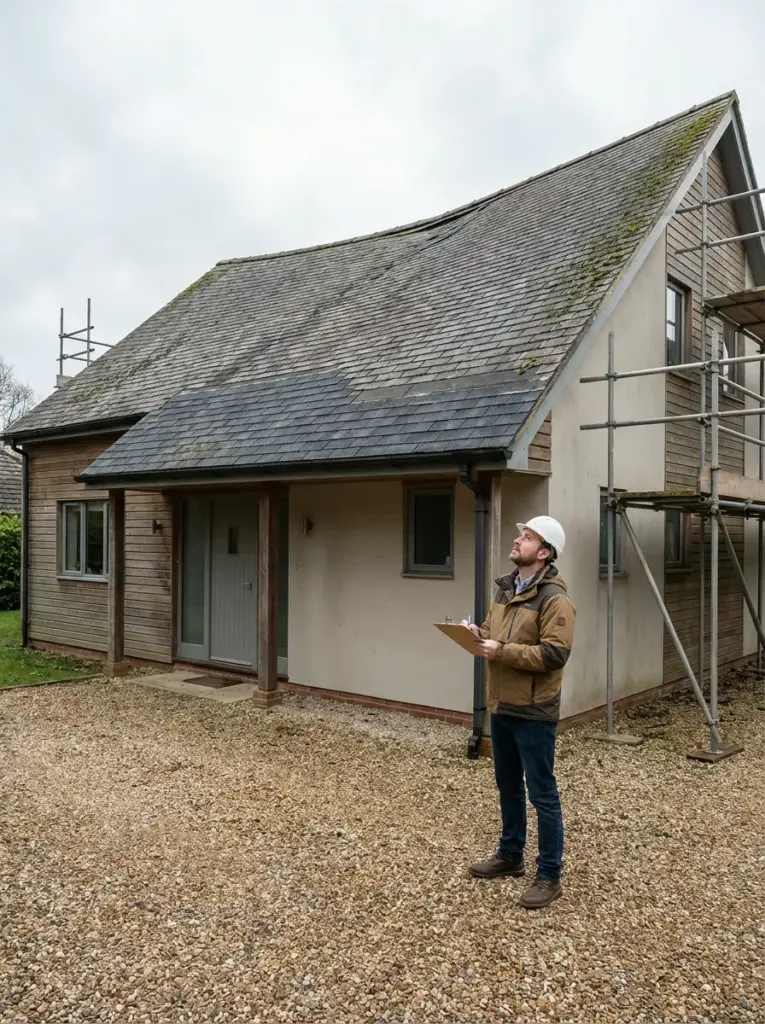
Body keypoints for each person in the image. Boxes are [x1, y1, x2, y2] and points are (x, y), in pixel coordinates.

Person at [463, 516, 575, 909]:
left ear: (543, 553)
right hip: (502, 703)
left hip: (534, 709)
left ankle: (549, 875)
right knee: (508, 786)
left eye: (526, 537)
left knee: (543, 795)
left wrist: (501, 651)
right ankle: (510, 856)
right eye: (520, 535)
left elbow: (555, 654)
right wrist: (477, 634)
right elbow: (496, 633)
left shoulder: (555, 598)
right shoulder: (505, 589)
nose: (517, 540)